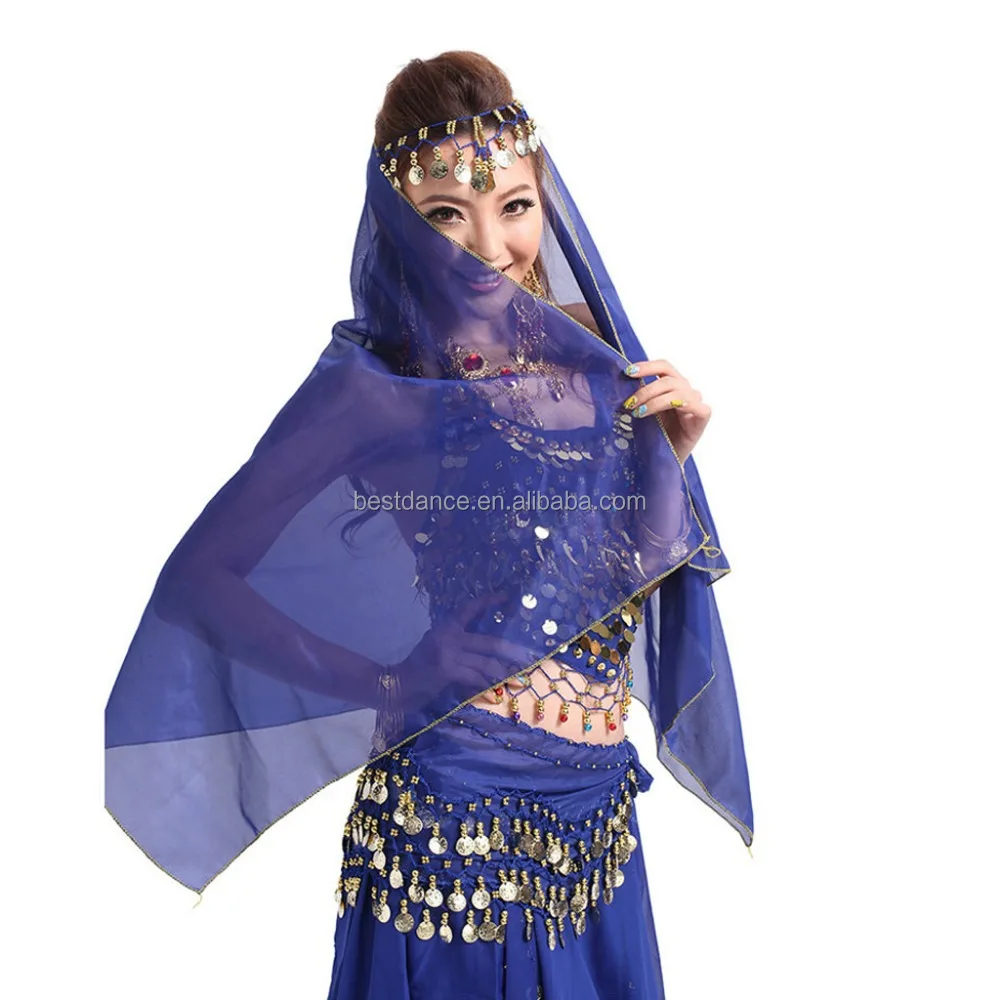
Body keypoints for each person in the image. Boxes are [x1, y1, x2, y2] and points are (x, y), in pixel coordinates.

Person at [104, 50, 753, 1000]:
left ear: (545, 199)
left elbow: (615, 569)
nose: (490, 244)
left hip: (599, 812)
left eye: (515, 204)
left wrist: (672, 456)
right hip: (455, 820)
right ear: (400, 220)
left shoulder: (589, 344)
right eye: (447, 212)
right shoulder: (375, 386)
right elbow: (201, 580)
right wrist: (384, 681)